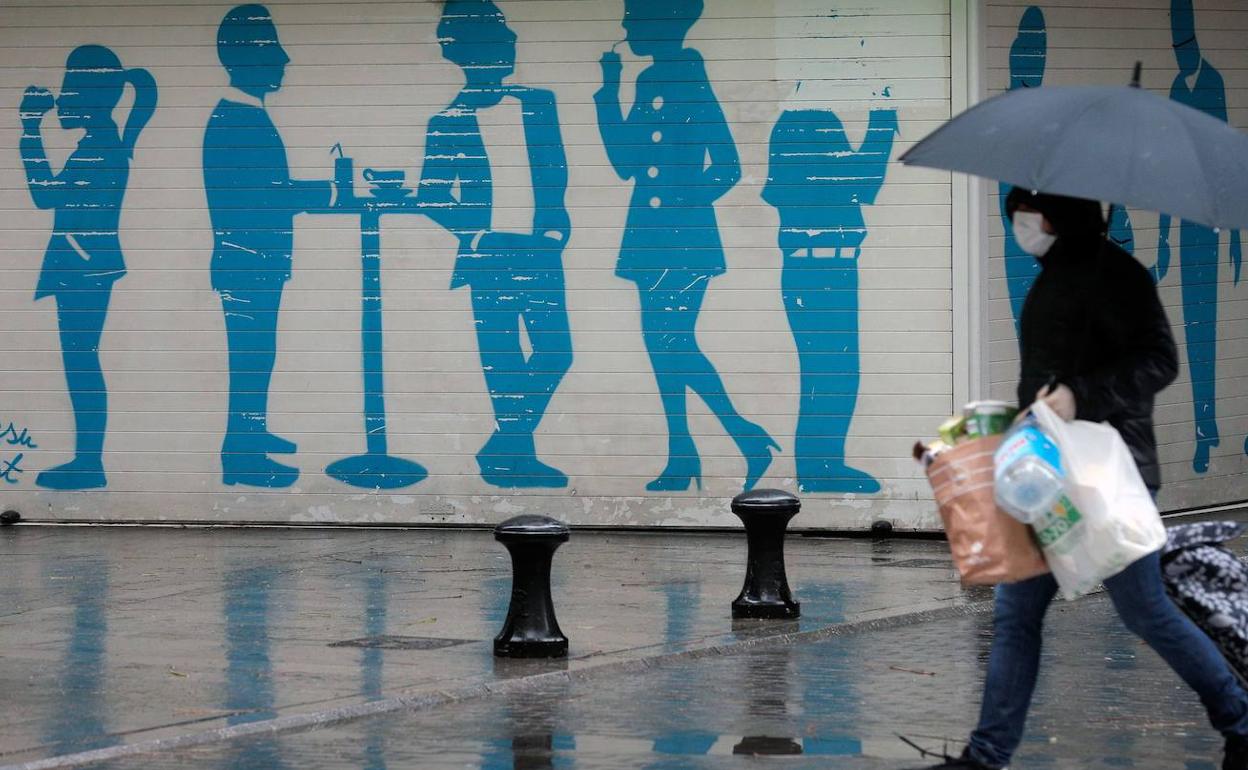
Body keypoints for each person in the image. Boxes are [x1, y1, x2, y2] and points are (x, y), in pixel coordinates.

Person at [916, 189, 1248, 769]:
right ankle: (987, 755)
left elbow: (1159, 359)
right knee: (1017, 616)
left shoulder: (1116, 275)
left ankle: (1241, 720)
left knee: (1145, 611)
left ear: (1054, 216)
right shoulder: (1060, 273)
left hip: (1108, 477)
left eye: (1026, 213)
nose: (1018, 223)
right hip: (1046, 477)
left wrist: (1081, 393)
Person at [595, 0, 777, 493]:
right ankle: (690, 452)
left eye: (634, 20)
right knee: (663, 346)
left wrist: (683, 205)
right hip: (650, 238)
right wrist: (607, 92)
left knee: (672, 342)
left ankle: (735, 438)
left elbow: (728, 165)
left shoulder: (689, 76)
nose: (626, 27)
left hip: (683, 240)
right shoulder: (648, 79)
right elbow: (626, 162)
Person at [417, 0, 573, 488]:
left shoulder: (538, 102)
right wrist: (474, 231)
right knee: (502, 358)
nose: (511, 43)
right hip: (489, 253)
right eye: (498, 37)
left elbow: (556, 170)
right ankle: (516, 455)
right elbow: (431, 195)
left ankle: (502, 444)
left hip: (540, 247)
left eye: (508, 36)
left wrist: (557, 221)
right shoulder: (448, 120)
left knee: (556, 350)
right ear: (468, 51)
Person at [203, 5, 335, 488]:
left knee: (259, 354)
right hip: (247, 264)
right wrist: (329, 192)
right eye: (272, 48)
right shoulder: (238, 120)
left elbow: (266, 188)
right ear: (245, 57)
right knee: (251, 357)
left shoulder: (243, 116)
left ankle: (251, 435)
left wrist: (314, 191)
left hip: (252, 262)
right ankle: (241, 457)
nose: (284, 59)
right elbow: (263, 195)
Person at [19, 46, 157, 490]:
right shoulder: (100, 144)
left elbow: (46, 195)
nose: (61, 98)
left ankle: (88, 461)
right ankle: (87, 459)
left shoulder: (99, 150)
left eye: (68, 88)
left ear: (89, 96)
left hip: (83, 269)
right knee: (82, 360)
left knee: (81, 361)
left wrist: (28, 129)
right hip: (85, 266)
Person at [762, 107, 897, 494]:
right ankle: (819, 468)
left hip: (831, 269)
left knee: (835, 372)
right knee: (829, 372)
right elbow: (863, 180)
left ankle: (824, 464)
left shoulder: (810, 126)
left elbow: (858, 180)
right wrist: (882, 122)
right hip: (815, 272)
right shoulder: (796, 127)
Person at [1156, 0, 1242, 473]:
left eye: (1182, 32)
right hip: (1186, 225)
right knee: (1190, 327)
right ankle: (1200, 428)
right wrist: (1166, 236)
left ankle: (1209, 428)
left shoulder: (1213, 83)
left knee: (1209, 330)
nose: (1178, 44)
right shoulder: (1174, 87)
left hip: (1210, 226)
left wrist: (1233, 236)